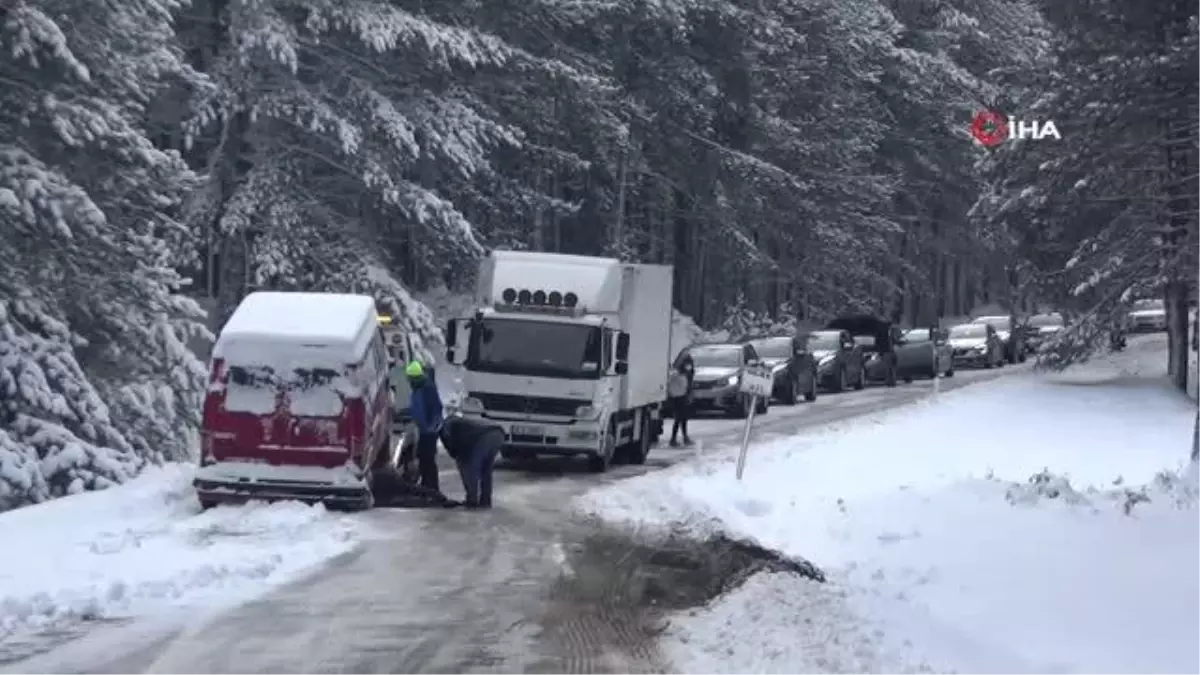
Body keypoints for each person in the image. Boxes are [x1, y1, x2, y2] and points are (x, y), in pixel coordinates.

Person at [439, 413, 505, 508]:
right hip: (498, 432)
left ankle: (472, 499)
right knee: (486, 469)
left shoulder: (449, 427)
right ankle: (485, 500)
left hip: (484, 436)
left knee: (472, 468)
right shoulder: (458, 422)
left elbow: (457, 451)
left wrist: (460, 461)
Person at [405, 360, 445, 493]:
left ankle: (432, 487)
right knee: (423, 458)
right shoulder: (419, 388)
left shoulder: (427, 389)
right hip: (422, 429)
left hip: (429, 431)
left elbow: (436, 409)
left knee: (427, 459)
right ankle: (427, 485)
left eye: (411, 378)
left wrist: (432, 426)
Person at [668, 354, 694, 446]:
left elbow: (688, 387)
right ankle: (674, 439)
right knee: (679, 418)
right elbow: (671, 385)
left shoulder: (687, 374)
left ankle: (683, 437)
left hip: (682, 397)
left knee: (683, 419)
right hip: (677, 398)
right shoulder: (676, 374)